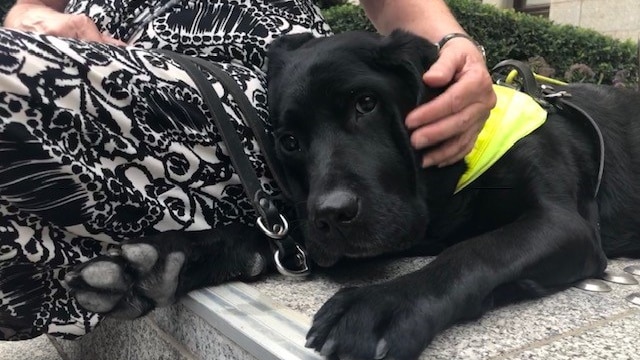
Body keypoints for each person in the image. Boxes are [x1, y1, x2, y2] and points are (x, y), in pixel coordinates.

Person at [0, 0, 495, 341]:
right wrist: (39, 21)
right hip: (83, 59)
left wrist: (452, 56)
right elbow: (28, 9)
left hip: (260, 90)